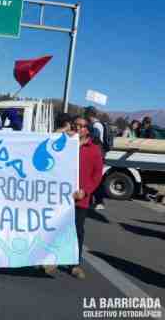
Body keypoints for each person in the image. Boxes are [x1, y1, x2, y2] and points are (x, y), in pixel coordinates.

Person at [69, 116, 104, 279]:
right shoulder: (64, 145)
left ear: (87, 129)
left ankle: (75, 264)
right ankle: (51, 259)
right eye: (75, 125)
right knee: (56, 228)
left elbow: (97, 176)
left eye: (81, 126)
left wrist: (86, 191)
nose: (78, 128)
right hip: (60, 198)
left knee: (77, 230)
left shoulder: (95, 150)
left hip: (81, 198)